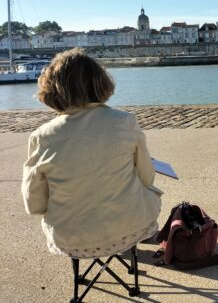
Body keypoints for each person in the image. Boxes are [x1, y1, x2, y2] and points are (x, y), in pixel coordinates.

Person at [22, 48, 162, 259]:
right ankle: (123, 240)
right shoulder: (125, 121)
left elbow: (34, 205)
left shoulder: (41, 137)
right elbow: (147, 177)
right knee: (149, 190)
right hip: (129, 229)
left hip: (70, 241)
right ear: (101, 83)